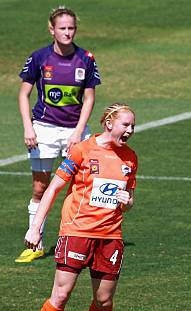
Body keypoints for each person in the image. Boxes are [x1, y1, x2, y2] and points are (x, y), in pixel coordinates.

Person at [26, 103, 137, 311]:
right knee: (61, 295)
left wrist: (127, 202)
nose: (130, 131)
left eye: (133, 126)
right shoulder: (82, 150)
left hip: (110, 237)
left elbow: (129, 198)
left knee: (104, 301)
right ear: (109, 123)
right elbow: (53, 188)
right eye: (126, 125)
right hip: (76, 232)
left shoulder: (130, 159)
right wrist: (35, 227)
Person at [16, 6, 101, 263]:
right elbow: (23, 94)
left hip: (75, 131)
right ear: (52, 29)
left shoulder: (85, 58)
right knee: (40, 187)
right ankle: (35, 243)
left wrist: (78, 132)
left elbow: (89, 98)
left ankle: (83, 240)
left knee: (81, 187)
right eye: (62, 28)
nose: (67, 32)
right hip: (44, 128)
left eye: (71, 28)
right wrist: (28, 127)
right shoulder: (39, 58)